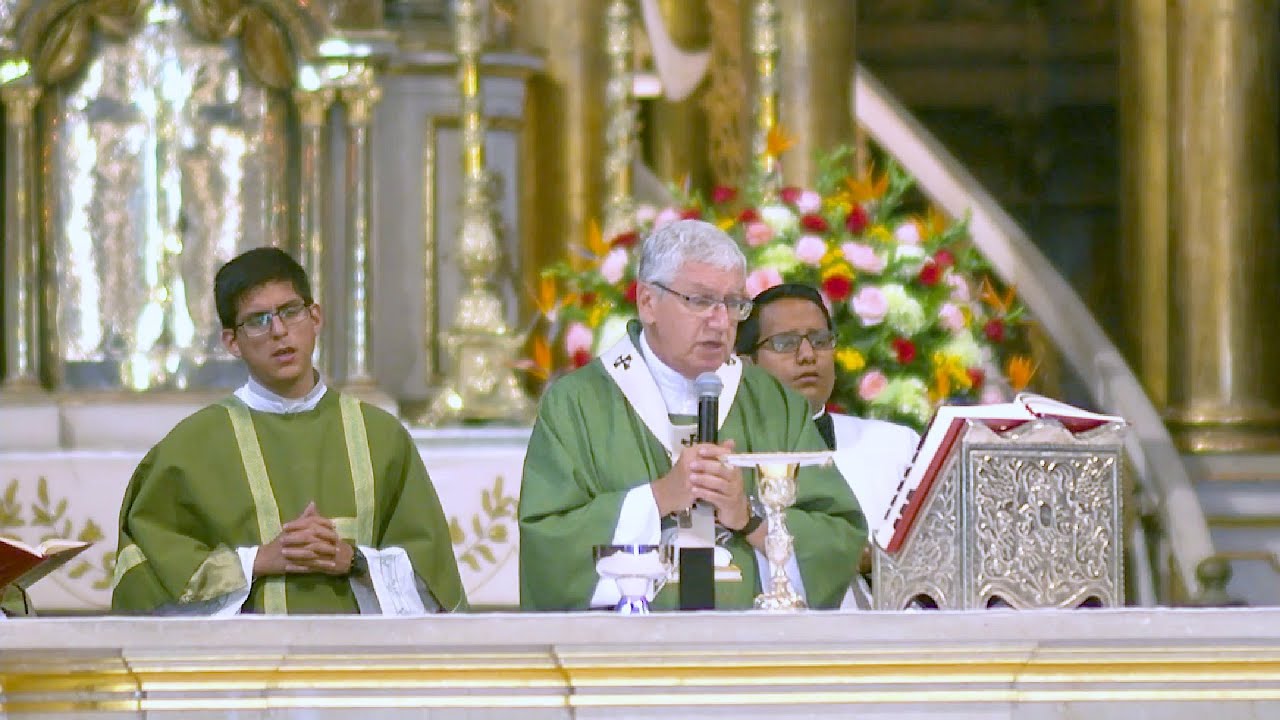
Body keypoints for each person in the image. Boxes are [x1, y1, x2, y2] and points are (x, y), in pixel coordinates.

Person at [519, 220, 865, 610]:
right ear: (648, 302)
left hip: (751, 654)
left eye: (734, 303)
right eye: (700, 301)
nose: (720, 322)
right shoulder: (578, 404)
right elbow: (548, 546)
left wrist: (747, 517)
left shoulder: (771, 402)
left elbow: (839, 536)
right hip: (626, 657)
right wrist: (660, 497)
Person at [112, 247, 465, 615]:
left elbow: (433, 576)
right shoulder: (191, 447)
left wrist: (353, 559)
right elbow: (144, 573)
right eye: (257, 320)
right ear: (232, 342)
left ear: (315, 317)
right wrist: (256, 561)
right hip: (246, 665)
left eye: (290, 311)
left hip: (361, 662)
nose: (279, 331)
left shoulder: (381, 437)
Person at [735, 282, 919, 608]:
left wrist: (876, 564)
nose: (807, 355)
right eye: (785, 343)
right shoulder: (728, 454)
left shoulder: (896, 447)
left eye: (820, 341)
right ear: (746, 363)